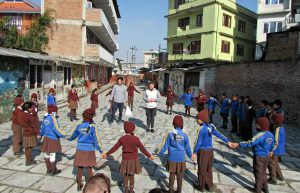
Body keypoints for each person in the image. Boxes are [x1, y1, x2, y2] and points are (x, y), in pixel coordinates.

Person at [102, 121, 155, 193]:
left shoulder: (122, 139)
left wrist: (107, 154)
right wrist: (149, 156)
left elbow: (115, 148)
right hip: (133, 160)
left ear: (124, 129)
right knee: (132, 176)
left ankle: (126, 190)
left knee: (126, 176)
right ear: (133, 129)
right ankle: (131, 190)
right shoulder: (135, 139)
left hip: (125, 160)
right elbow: (142, 149)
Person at [231, 117, 275, 193]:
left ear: (261, 126)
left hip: (259, 156)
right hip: (266, 156)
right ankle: (265, 188)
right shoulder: (270, 134)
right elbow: (272, 144)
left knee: (258, 172)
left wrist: (238, 144)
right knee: (263, 172)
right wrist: (271, 151)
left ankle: (257, 189)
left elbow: (250, 142)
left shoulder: (260, 135)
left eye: (257, 124)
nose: (255, 125)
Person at [192, 109, 231, 192]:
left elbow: (198, 142)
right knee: (208, 168)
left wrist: (195, 152)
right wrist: (227, 141)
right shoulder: (211, 127)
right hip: (210, 151)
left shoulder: (201, 129)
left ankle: (201, 186)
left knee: (202, 168)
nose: (196, 120)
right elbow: (219, 134)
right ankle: (209, 185)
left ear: (201, 119)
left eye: (197, 119)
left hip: (203, 151)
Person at [68, 108, 104, 191]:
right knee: (89, 167)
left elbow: (73, 135)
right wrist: (101, 151)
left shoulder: (79, 126)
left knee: (80, 167)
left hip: (80, 149)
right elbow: (96, 141)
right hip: (89, 150)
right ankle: (90, 184)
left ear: (83, 117)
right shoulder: (93, 127)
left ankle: (79, 184)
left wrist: (68, 139)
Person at [157, 115, 192, 193]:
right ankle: (179, 190)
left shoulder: (170, 134)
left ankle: (170, 190)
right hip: (181, 158)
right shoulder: (184, 135)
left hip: (172, 158)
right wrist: (191, 156)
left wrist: (159, 153)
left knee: (172, 175)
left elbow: (165, 145)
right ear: (182, 125)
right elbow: (187, 147)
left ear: (173, 124)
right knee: (180, 175)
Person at [40, 105, 65, 176]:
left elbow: (43, 128)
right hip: (53, 139)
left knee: (46, 154)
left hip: (46, 138)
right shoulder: (53, 118)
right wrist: (63, 135)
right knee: (52, 154)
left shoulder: (45, 118)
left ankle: (48, 169)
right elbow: (56, 129)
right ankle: (53, 170)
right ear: (54, 111)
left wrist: (41, 134)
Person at [18, 102, 40, 166]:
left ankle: (27, 159)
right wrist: (38, 134)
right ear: (28, 108)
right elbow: (35, 125)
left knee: (27, 148)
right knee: (30, 148)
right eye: (31, 108)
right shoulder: (30, 116)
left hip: (24, 132)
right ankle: (28, 161)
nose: (32, 109)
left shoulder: (20, 114)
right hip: (30, 133)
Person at [268, 113, 285, 184]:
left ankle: (273, 178)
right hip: (279, 149)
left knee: (271, 163)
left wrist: (271, 150)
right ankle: (280, 176)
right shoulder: (281, 127)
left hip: (275, 150)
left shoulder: (278, 129)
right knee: (275, 163)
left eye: (272, 119)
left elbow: (276, 141)